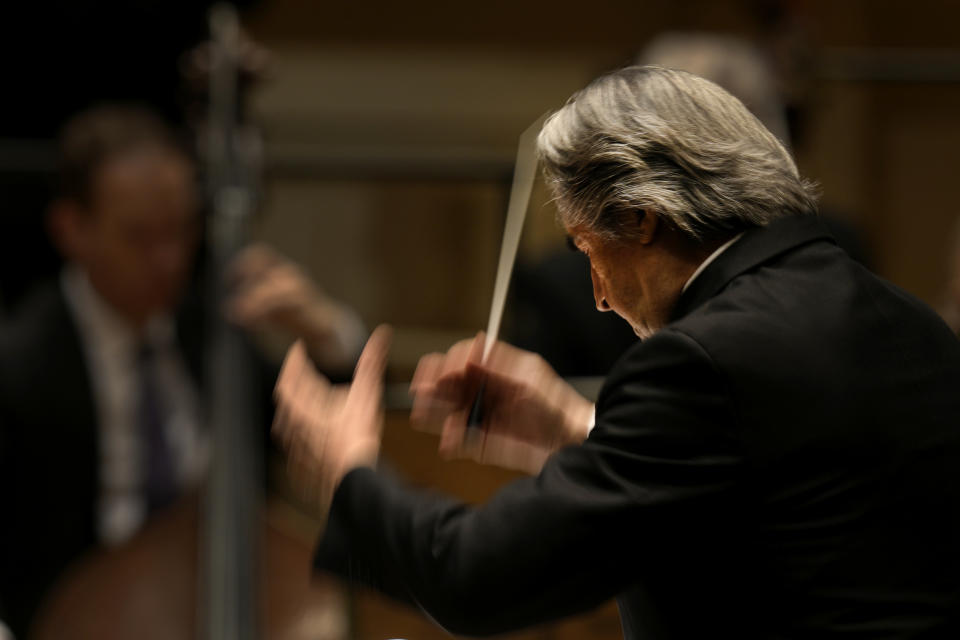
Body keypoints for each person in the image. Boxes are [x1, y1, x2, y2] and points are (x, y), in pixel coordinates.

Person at [272, 66, 960, 638]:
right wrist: (576, 427)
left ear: (639, 216)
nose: (597, 296)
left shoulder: (700, 361)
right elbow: (774, 497)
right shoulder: (908, 324)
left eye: (585, 250)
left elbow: (479, 578)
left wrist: (350, 475)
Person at [0, 105, 363, 637]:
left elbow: (315, 419)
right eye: (141, 238)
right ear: (71, 229)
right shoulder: (20, 367)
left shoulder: (209, 325)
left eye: (180, 232)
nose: (170, 260)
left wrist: (324, 330)